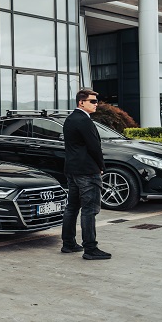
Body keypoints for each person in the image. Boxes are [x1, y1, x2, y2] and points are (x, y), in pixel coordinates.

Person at [61, 89, 111, 260]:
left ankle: (68, 244)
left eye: (96, 101)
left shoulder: (69, 119)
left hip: (72, 170)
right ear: (81, 102)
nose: (96, 104)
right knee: (89, 210)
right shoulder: (85, 121)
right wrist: (101, 166)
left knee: (72, 207)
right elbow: (94, 147)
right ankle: (90, 249)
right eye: (93, 101)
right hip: (87, 172)